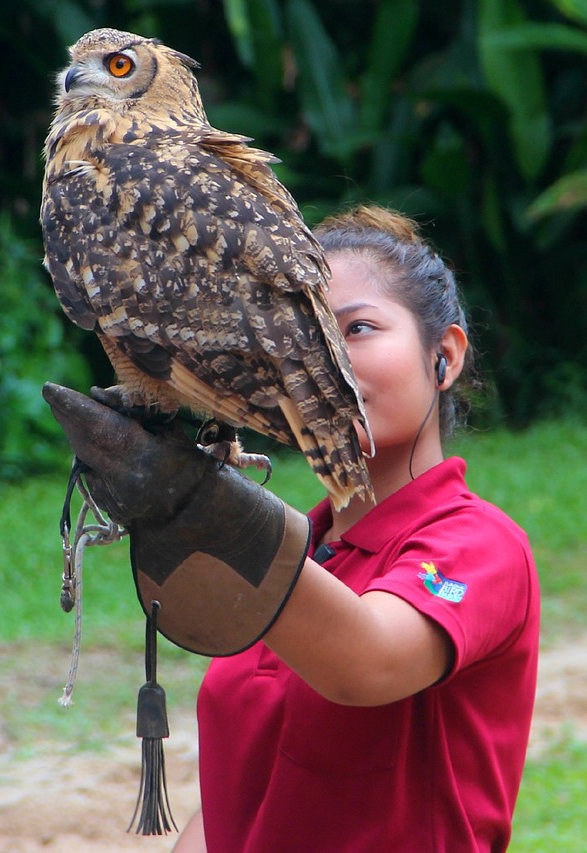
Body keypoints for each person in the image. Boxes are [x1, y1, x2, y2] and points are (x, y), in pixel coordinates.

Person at [45, 205, 540, 851]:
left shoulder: (478, 542)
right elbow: (236, 807)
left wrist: (201, 506)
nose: (323, 363)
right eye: (296, 343)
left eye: (356, 328)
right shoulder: (293, 558)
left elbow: (367, 663)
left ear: (442, 355)